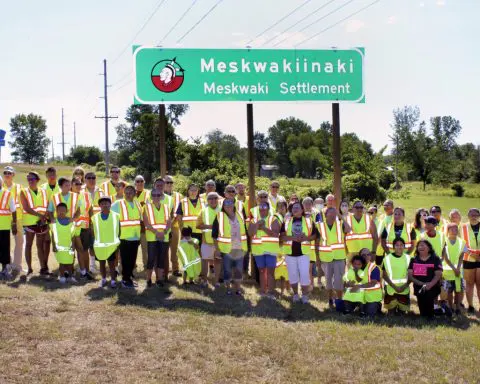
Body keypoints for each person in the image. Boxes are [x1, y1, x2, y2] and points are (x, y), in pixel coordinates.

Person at [280, 202, 318, 304]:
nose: (295, 209)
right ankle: (296, 294)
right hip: (290, 253)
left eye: (297, 207)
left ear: (302, 210)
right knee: (292, 274)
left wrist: (306, 238)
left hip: (304, 253)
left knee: (304, 274)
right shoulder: (287, 221)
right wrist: (293, 238)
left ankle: (304, 295)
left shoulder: (309, 221)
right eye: (293, 208)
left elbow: (315, 235)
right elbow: (282, 237)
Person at [212, 198, 248, 296]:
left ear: (234, 205)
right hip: (226, 249)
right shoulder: (219, 216)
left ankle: (238, 289)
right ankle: (228, 289)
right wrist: (217, 249)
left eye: (231, 203)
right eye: (226, 204)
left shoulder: (240, 215)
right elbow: (214, 235)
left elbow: (246, 231)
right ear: (223, 206)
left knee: (238, 270)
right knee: (227, 270)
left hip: (240, 248)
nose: (228, 206)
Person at [316, 207, 350, 308]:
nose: (333, 214)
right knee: (328, 281)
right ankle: (330, 299)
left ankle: (339, 301)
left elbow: (349, 229)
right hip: (326, 258)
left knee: (339, 281)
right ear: (325, 215)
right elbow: (316, 243)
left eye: (334, 213)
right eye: (330, 213)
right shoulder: (319, 226)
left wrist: (340, 216)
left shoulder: (340, 224)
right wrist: (317, 258)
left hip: (339, 257)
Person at [112, 185, 142, 289]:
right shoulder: (118, 204)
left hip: (135, 237)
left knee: (132, 260)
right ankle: (125, 279)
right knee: (125, 260)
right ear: (123, 193)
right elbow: (112, 219)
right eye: (126, 192)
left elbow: (140, 219)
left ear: (135, 194)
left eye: (131, 192)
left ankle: (129, 278)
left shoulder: (137, 204)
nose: (128, 194)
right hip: (124, 237)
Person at [249, 202, 280, 297]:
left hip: (271, 250)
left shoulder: (273, 219)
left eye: (264, 206)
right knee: (261, 271)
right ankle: (263, 291)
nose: (262, 208)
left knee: (270, 272)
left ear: (268, 208)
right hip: (258, 250)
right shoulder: (254, 220)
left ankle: (271, 292)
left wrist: (263, 228)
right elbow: (250, 233)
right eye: (260, 206)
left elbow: (275, 234)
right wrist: (257, 225)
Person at [21, 172, 50, 275]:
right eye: (28, 179)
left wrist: (44, 217)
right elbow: (26, 208)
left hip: (41, 222)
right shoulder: (23, 191)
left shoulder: (44, 191)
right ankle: (29, 268)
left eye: (32, 179)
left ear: (37, 180)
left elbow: (47, 206)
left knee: (40, 246)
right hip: (29, 222)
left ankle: (43, 268)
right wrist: (40, 216)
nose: (30, 181)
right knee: (28, 245)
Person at [143, 186, 171, 288]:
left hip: (164, 236)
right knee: (151, 259)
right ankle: (149, 279)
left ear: (161, 196)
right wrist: (157, 233)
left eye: (158, 195)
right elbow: (146, 223)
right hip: (152, 236)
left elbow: (169, 222)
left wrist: (165, 231)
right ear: (151, 196)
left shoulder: (166, 207)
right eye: (154, 195)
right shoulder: (146, 207)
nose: (156, 197)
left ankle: (159, 280)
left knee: (161, 259)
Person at [408, 240, 443, 319]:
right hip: (419, 287)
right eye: (419, 246)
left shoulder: (435, 259)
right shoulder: (413, 260)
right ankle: (435, 311)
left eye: (423, 245)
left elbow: (438, 274)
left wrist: (430, 285)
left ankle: (436, 311)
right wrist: (421, 284)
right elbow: (410, 276)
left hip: (432, 287)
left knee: (429, 313)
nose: (421, 247)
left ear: (429, 248)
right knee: (423, 314)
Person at [91, 197, 120, 288]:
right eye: (102, 203)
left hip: (112, 244)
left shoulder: (116, 216)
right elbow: (93, 231)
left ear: (110, 205)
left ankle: (112, 280)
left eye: (106, 203)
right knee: (102, 263)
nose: (105, 205)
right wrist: (93, 243)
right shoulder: (94, 217)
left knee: (111, 263)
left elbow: (119, 230)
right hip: (100, 245)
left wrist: (118, 243)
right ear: (99, 206)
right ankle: (103, 279)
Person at [343, 250, 381, 317]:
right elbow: (347, 280)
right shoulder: (355, 266)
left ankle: (377, 305)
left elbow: (373, 283)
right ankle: (355, 307)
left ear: (370, 256)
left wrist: (358, 286)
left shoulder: (373, 267)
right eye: (364, 255)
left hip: (370, 297)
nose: (366, 256)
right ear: (360, 256)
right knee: (341, 306)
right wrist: (347, 284)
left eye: (368, 254)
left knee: (369, 314)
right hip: (357, 294)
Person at [196, 192, 222, 287]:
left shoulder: (223, 210)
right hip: (206, 241)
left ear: (218, 199)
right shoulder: (203, 211)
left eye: (215, 198)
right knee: (205, 261)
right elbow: (198, 225)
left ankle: (216, 281)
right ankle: (204, 280)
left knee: (218, 261)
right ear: (207, 200)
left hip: (220, 242)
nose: (213, 200)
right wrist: (210, 226)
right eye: (210, 198)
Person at [71, 177, 93, 280]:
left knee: (85, 250)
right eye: (76, 184)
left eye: (80, 184)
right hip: (73, 227)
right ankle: (70, 272)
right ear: (71, 185)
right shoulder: (70, 196)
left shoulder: (87, 195)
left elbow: (91, 210)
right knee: (72, 251)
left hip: (85, 226)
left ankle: (86, 271)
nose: (79, 186)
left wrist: (91, 224)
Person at [2, 166, 23, 274]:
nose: (7, 174)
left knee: (19, 242)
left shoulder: (19, 187)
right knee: (4, 242)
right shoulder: (0, 186)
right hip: (4, 219)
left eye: (9, 173)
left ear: (13, 175)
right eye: (5, 172)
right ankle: (8, 263)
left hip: (17, 218)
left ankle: (17, 265)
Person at [83, 172, 104, 274]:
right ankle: (84, 266)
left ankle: (92, 265)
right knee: (83, 246)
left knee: (94, 245)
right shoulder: (80, 191)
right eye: (89, 178)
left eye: (93, 178)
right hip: (83, 222)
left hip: (98, 223)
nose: (91, 179)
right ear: (85, 179)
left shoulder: (101, 191)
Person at [383, 238, 411, 314]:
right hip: (391, 288)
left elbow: (411, 275)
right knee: (391, 313)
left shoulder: (409, 258)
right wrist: (394, 286)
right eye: (397, 245)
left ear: (404, 246)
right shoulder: (387, 258)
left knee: (402, 313)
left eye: (401, 245)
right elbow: (384, 275)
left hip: (404, 288)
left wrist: (404, 286)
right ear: (393, 247)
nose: (399, 247)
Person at [442, 223, 466, 315]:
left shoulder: (462, 242)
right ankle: (451, 307)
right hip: (448, 272)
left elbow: (461, 257)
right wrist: (454, 268)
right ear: (448, 231)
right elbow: (445, 258)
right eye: (452, 229)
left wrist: (458, 268)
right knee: (449, 291)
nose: (454, 231)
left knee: (459, 290)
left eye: (456, 229)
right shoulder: (444, 241)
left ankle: (458, 307)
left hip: (458, 272)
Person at [460, 208, 480, 314]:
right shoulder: (462, 227)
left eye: (476, 214)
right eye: (471, 214)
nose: (474, 216)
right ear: (468, 216)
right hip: (468, 259)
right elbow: (460, 243)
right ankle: (471, 306)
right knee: (469, 284)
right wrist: (472, 254)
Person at [50, 203, 76, 284]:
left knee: (70, 262)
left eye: (63, 210)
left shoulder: (71, 221)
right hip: (59, 246)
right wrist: (54, 245)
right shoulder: (54, 222)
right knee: (61, 262)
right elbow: (53, 235)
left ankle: (70, 277)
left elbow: (73, 235)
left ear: (67, 211)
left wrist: (73, 245)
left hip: (69, 245)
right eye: (59, 210)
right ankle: (62, 276)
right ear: (56, 211)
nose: (61, 212)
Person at [164, 175, 183, 280]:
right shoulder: (160, 195)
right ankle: (164, 270)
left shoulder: (179, 195)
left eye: (171, 182)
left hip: (175, 226)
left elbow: (181, 210)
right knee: (164, 250)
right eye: (167, 182)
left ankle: (175, 269)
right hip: (163, 227)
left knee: (174, 249)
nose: (169, 184)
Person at [0, 176, 17, 278]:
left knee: (4, 248)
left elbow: (13, 210)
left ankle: (4, 269)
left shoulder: (7, 193)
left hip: (4, 226)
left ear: (1, 183)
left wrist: (14, 224)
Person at [134, 175, 150, 271]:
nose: (139, 183)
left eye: (141, 181)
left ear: (144, 182)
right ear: (135, 183)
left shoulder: (148, 193)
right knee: (133, 248)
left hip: (144, 226)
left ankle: (146, 266)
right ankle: (133, 265)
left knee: (145, 249)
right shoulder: (130, 193)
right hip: (133, 227)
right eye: (137, 181)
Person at [274, 201, 289, 295]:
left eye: (283, 206)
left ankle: (288, 288)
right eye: (279, 206)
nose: (281, 208)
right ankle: (280, 290)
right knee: (279, 268)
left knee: (287, 268)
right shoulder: (274, 218)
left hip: (288, 246)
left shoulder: (290, 218)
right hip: (278, 246)